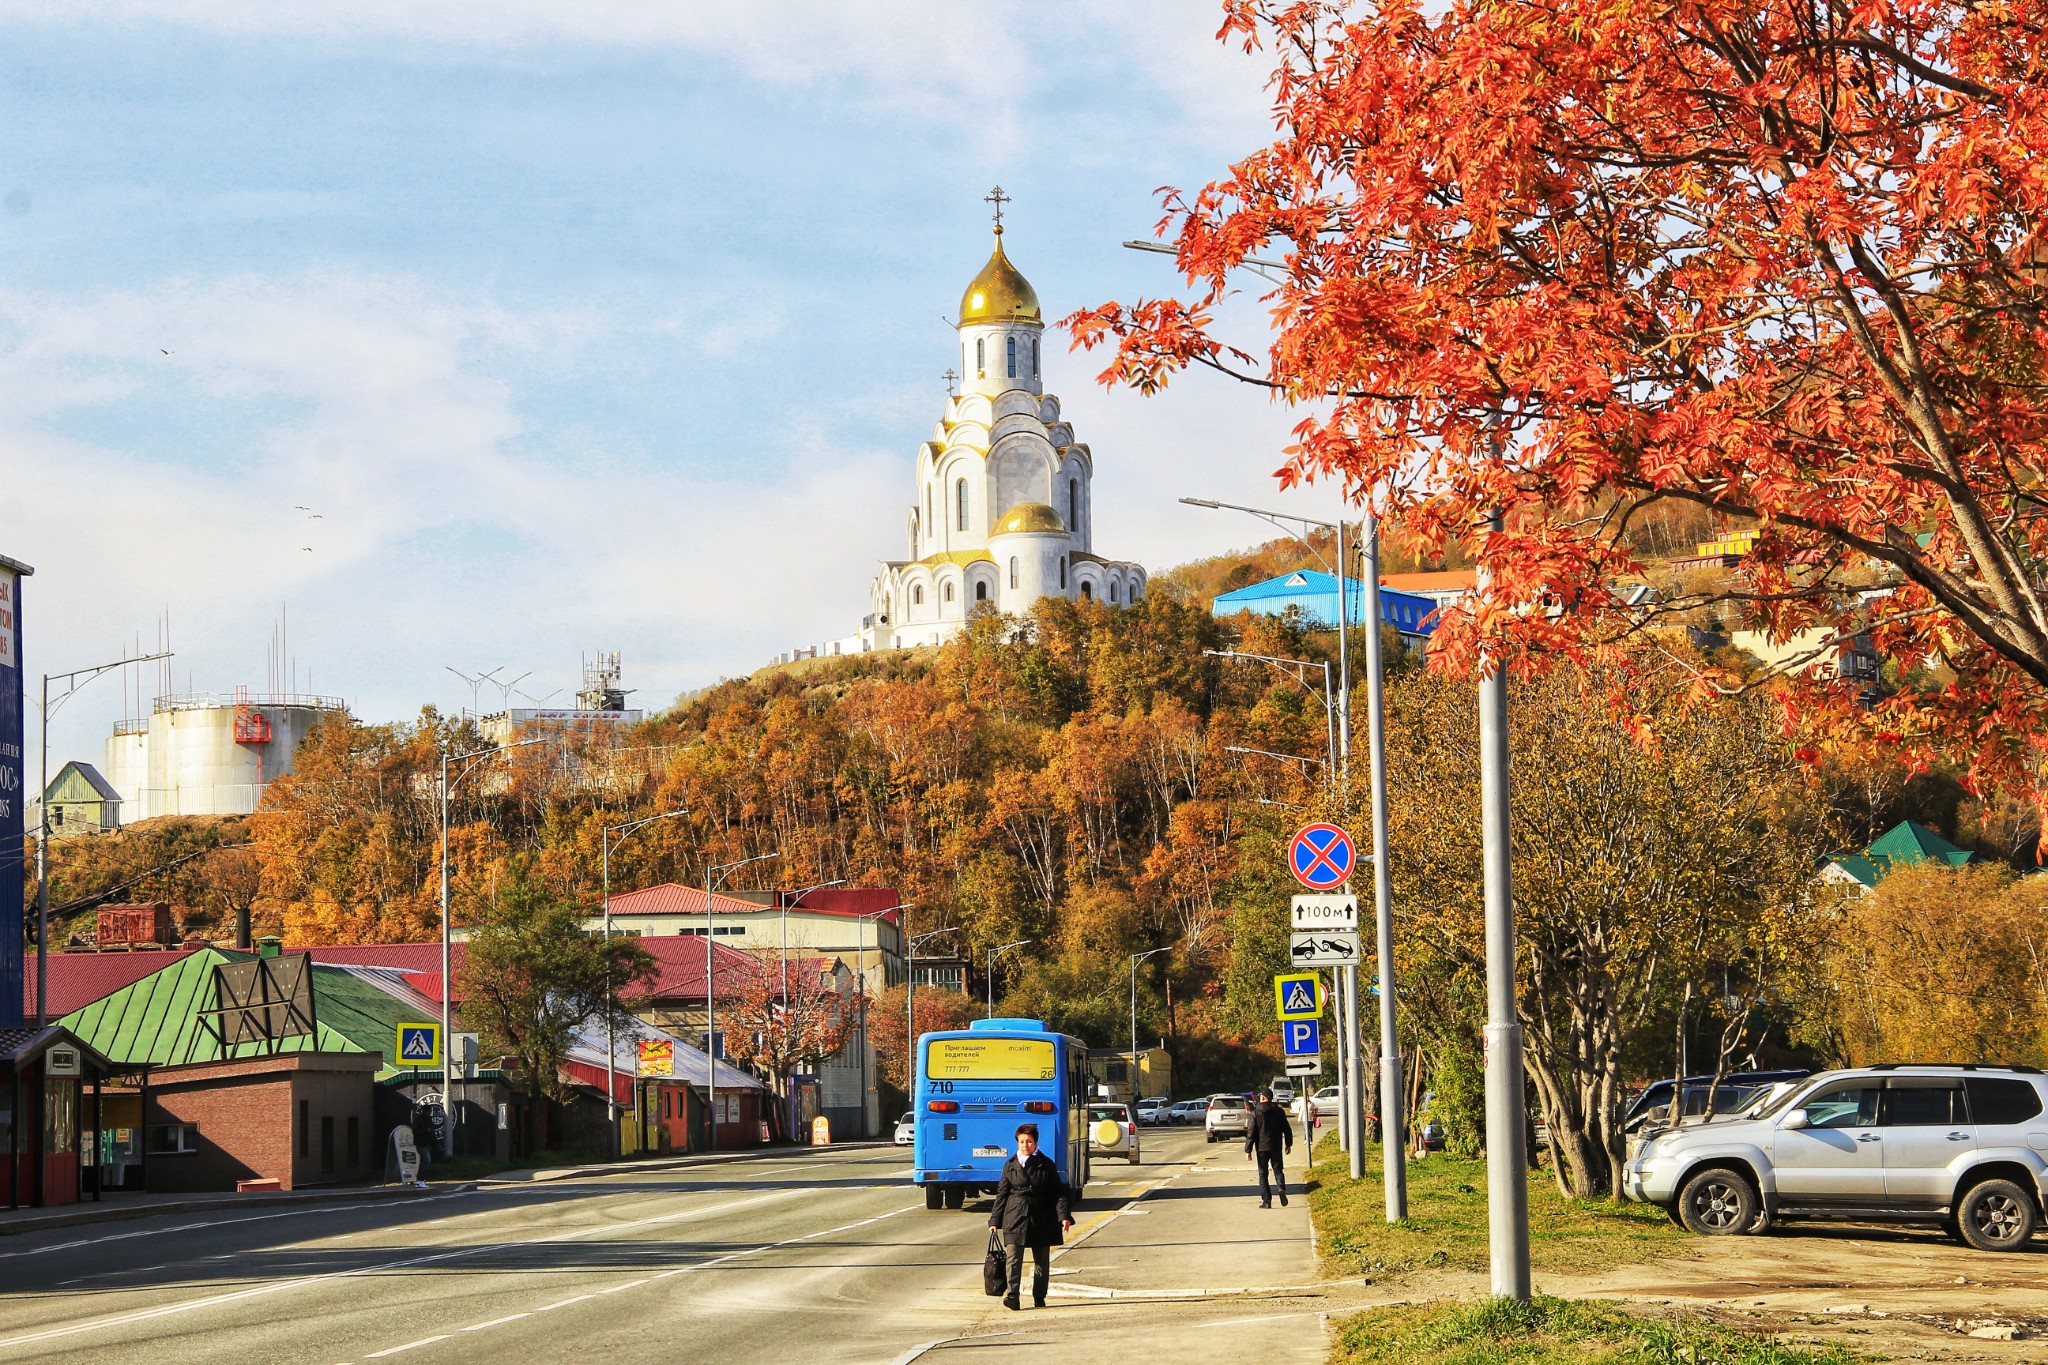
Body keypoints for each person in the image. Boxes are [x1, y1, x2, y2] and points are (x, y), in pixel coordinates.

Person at [987, 1122, 1073, 1310]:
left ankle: (1039, 1297)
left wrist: (1063, 1216)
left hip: (1041, 1216)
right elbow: (1002, 1194)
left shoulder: (1046, 1164)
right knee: (1013, 1258)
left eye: (1029, 1142)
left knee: (1041, 1261)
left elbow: (1058, 1193)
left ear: (1035, 1142)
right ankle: (1012, 1296)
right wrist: (995, 1220)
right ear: (1017, 1142)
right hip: (1015, 1216)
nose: (1026, 1145)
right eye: (1022, 1142)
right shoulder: (1010, 1165)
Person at [1244, 1087, 1294, 1208]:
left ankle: (1267, 1201)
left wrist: (1248, 1150)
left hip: (1261, 1148)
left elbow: (1251, 1132)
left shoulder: (1256, 1112)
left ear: (1263, 1098)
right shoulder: (1279, 1111)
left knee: (1263, 1174)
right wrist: (1288, 1144)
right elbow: (1287, 1129)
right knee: (1278, 1169)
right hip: (1276, 1146)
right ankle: (1281, 1187)